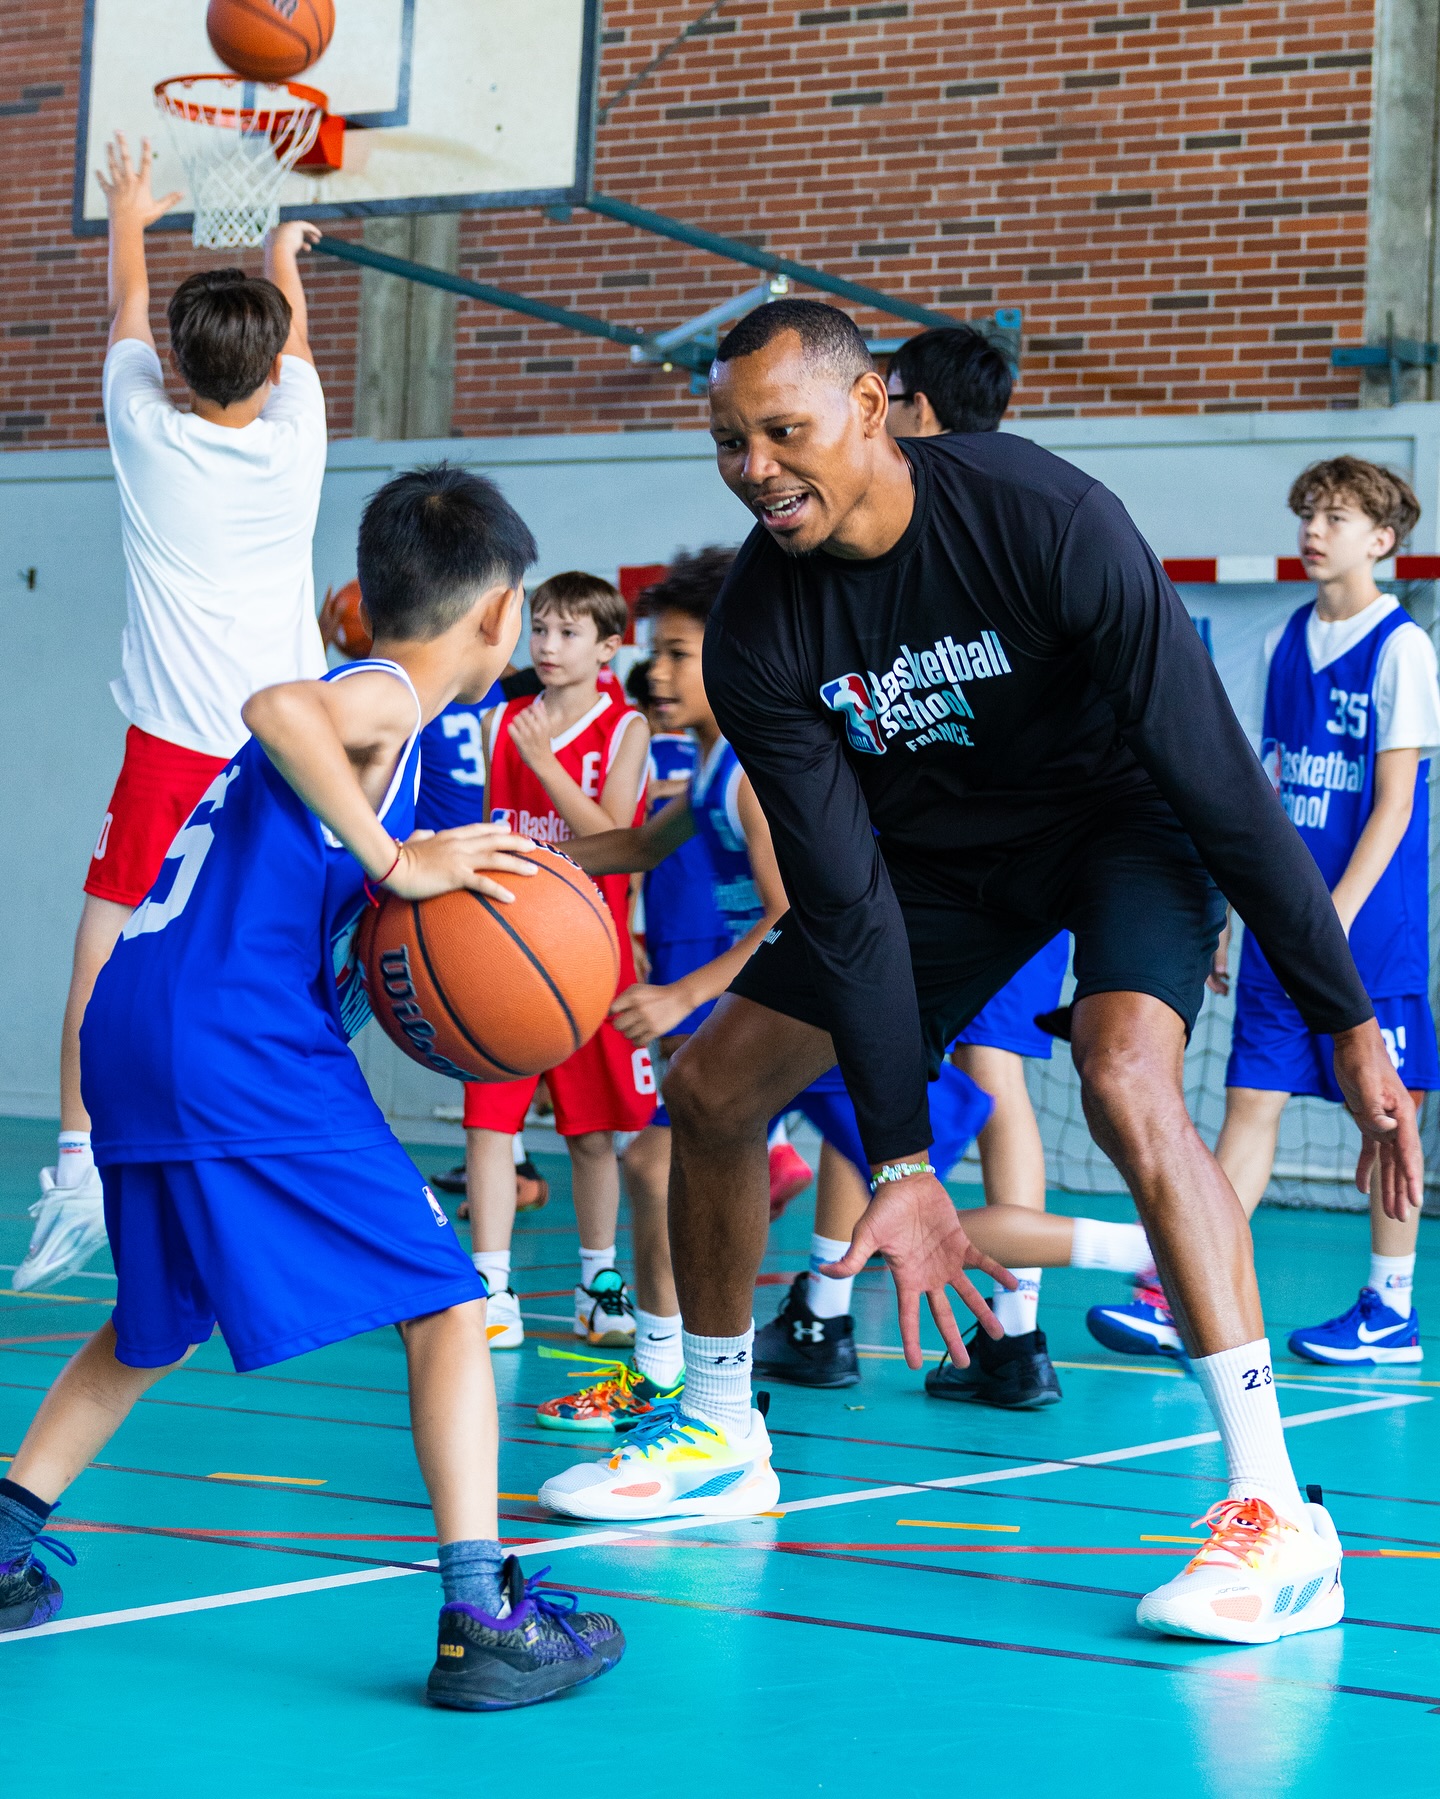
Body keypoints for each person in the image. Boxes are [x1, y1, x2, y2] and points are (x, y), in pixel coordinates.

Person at [537, 299, 1420, 1648]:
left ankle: (1275, 1509)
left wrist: (1344, 1013)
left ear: (874, 406)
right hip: (940, 859)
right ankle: (718, 1426)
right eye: (729, 440)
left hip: (1128, 814)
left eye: (783, 429)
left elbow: (1220, 785)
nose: (755, 464)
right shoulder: (765, 630)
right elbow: (845, 900)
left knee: (1127, 1072)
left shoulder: (1044, 518)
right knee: (716, 1086)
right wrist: (901, 1165)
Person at [0, 464, 625, 1705]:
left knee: (154, 1320)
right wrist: (398, 860)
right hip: (231, 1038)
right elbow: (276, 703)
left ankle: (7, 1536)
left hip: (138, 1021)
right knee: (449, 1305)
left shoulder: (376, 711)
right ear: (499, 614)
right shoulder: (380, 696)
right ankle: (483, 1611)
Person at [17, 135, 329, 1295]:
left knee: (106, 947)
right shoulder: (301, 443)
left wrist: (131, 210)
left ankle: (76, 1169)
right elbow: (287, 336)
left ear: (179, 373)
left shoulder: (142, 429)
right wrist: (279, 249)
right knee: (281, 960)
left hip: (176, 747)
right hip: (285, 751)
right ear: (271, 367)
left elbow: (128, 310)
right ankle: (270, 1163)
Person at [1090, 458, 1439, 1367]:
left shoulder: (1403, 646)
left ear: (1384, 539)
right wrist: (1241, 912)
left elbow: (1394, 806)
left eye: (1338, 516)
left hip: (1370, 934)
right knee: (1248, 1102)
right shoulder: (1289, 638)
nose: (1315, 529)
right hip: (1287, 925)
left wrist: (1327, 921)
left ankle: (1389, 1308)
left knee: (1390, 1119)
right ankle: (1182, 1293)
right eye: (1309, 513)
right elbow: (1268, 798)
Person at [886, 322, 1072, 1411]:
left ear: (912, 407)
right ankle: (1016, 1335)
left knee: (992, 1083)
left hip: (991, 857)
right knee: (983, 1082)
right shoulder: (1029, 512)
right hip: (1015, 855)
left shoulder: (957, 526)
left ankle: (1029, 1328)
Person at [462, 573, 655, 1351]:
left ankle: (596, 1281)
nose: (545, 644)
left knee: (592, 1133)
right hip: (505, 952)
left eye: (567, 632)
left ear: (609, 646)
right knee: (488, 1122)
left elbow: (613, 834)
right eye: (538, 629)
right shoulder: (502, 719)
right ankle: (492, 1283)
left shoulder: (625, 726)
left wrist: (545, 766)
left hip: (589, 957)